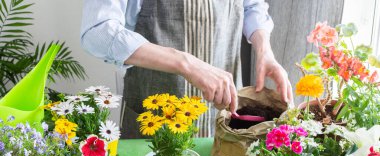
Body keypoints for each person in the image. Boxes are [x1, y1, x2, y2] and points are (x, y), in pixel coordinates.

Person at [81, 0, 293, 138]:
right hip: (156, 128)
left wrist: (264, 50)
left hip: (225, 121)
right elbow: (98, 31)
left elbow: (251, 6)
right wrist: (185, 63)